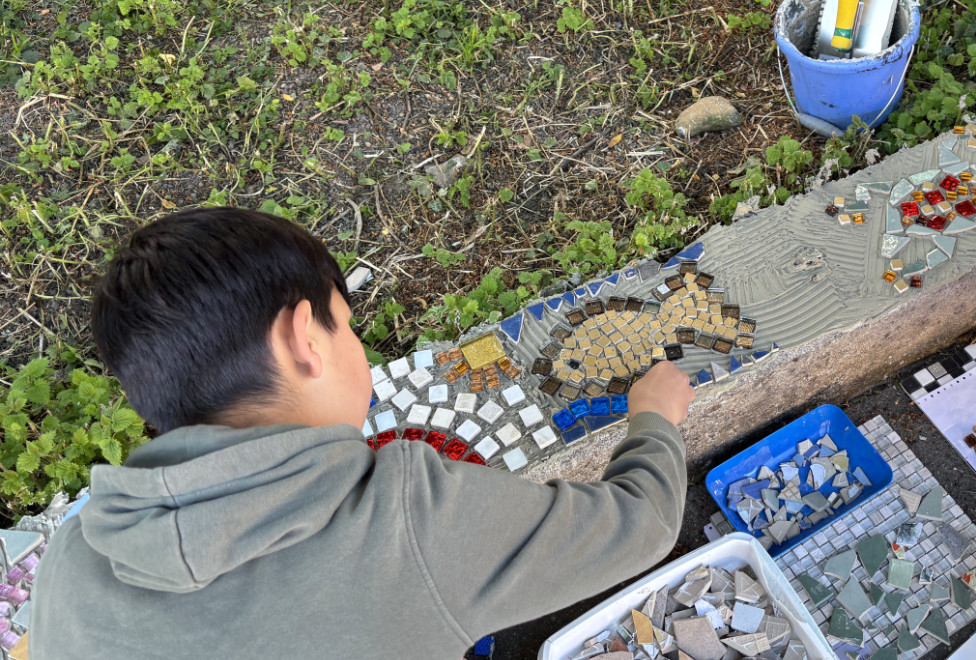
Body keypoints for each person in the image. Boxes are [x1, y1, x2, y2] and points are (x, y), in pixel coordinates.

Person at [30, 208, 697, 658]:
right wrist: (655, 420)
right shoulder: (412, 520)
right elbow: (640, 524)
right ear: (302, 340)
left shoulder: (71, 560)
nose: (361, 350)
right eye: (345, 326)